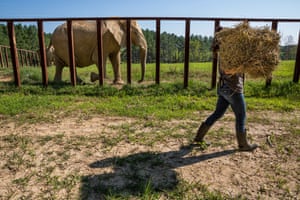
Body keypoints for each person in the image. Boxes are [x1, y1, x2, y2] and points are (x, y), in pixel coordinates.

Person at [194, 34, 258, 152]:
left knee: (217, 113)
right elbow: (228, 70)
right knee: (241, 116)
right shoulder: (229, 55)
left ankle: (199, 137)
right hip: (233, 90)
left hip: (224, 89)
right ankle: (243, 145)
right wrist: (244, 66)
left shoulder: (224, 53)